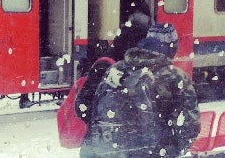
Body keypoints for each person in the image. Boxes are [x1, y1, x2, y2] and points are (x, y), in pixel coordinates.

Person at [82, 23, 200, 158]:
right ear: (171, 47)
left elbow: (89, 109)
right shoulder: (176, 77)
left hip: (109, 151)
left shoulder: (116, 69)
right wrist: (168, 152)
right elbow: (190, 126)